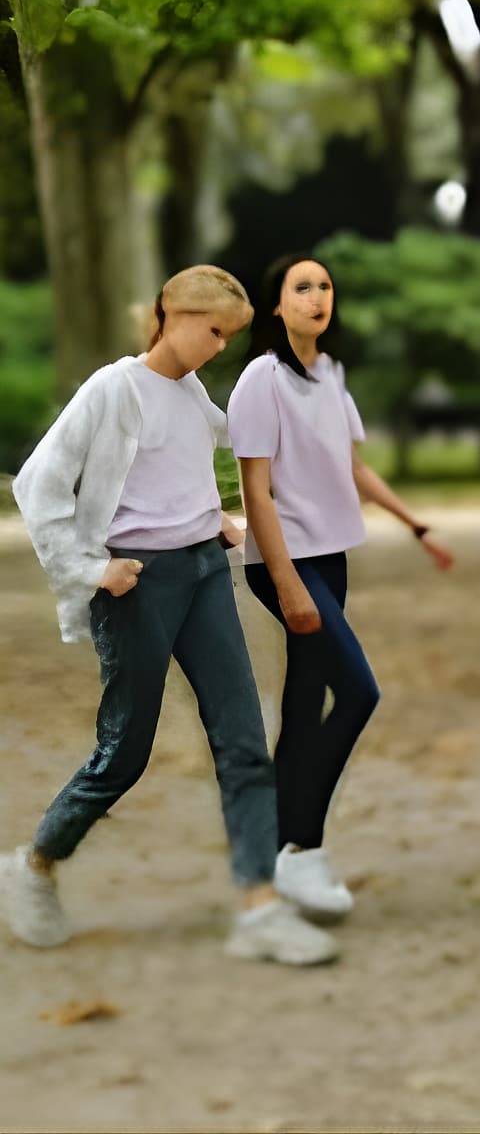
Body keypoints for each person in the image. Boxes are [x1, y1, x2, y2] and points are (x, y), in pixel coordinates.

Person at [1, 266, 337, 965]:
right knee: (124, 751)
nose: (218, 348)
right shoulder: (112, 390)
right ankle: (33, 863)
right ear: (172, 314)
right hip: (136, 586)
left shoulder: (189, 392)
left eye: (228, 337)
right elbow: (39, 482)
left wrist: (213, 514)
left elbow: (210, 452)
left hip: (205, 574)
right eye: (213, 332)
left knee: (244, 740)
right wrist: (93, 569)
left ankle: (258, 908)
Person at [228, 254, 454, 922]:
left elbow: (353, 466)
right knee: (358, 691)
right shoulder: (259, 381)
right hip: (283, 562)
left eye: (325, 286)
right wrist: (287, 583)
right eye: (303, 287)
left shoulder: (330, 375)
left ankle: (274, 846)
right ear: (277, 305)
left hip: (330, 557)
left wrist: (413, 523)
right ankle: (303, 846)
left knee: (304, 704)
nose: (317, 296)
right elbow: (256, 492)